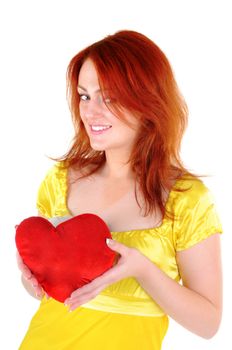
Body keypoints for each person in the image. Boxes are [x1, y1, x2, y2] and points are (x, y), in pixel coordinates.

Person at [17, 30, 223, 350]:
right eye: (85, 95)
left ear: (148, 102)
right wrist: (30, 278)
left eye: (108, 97)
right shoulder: (60, 180)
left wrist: (143, 269)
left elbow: (208, 324)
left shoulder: (187, 200)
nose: (90, 111)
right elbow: (51, 296)